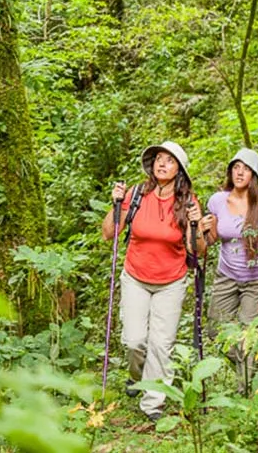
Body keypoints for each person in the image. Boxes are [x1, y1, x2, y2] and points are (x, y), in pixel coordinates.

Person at [102, 140, 207, 422]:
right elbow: (108, 233)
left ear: (179, 170)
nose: (162, 164)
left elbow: (197, 250)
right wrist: (115, 204)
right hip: (136, 276)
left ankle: (153, 404)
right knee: (134, 340)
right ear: (152, 164)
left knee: (162, 344)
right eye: (159, 159)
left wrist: (196, 224)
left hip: (171, 281)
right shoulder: (136, 194)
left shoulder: (187, 202)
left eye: (169, 161)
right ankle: (138, 378)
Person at [203, 147, 258, 392]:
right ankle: (254, 363)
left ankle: (244, 393)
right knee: (216, 329)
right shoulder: (217, 201)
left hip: (256, 280)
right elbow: (212, 238)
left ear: (254, 174)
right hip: (227, 276)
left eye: (245, 168)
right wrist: (202, 227)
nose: (239, 172)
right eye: (236, 167)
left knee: (248, 334)